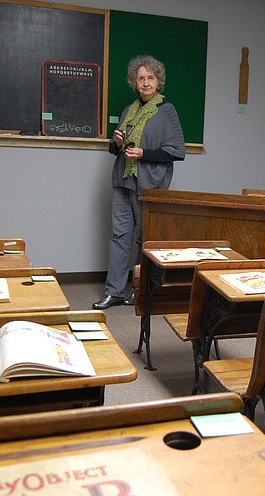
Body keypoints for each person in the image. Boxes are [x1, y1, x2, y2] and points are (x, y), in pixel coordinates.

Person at [93, 55, 186, 310]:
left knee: (144, 238)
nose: (145, 83)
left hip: (149, 185)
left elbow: (177, 151)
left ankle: (140, 289)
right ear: (135, 83)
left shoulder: (167, 111)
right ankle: (114, 291)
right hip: (124, 180)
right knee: (120, 235)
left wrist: (145, 153)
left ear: (158, 82)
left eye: (150, 78)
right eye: (141, 78)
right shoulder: (128, 110)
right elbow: (115, 148)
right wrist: (118, 143)